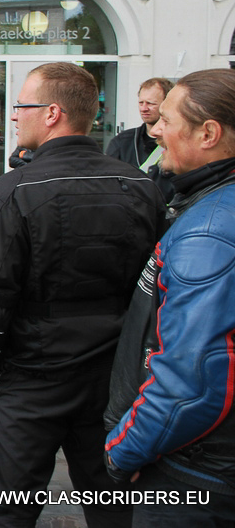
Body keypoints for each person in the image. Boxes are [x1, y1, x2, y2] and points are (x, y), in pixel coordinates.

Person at [0, 62, 166, 527]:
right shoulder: (141, 187)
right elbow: (156, 293)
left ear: (52, 113)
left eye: (21, 105)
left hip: (30, 381)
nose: (13, 114)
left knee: (7, 512)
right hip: (113, 383)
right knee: (114, 509)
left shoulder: (13, 190)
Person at [105, 68, 235, 526]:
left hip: (195, 473)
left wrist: (122, 451)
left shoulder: (209, 232)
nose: (156, 130)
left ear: (208, 134)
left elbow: (191, 383)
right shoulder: (209, 207)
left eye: (166, 120)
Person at [106, 77, 176, 201]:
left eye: (151, 103)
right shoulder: (122, 142)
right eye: (141, 103)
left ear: (167, 104)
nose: (144, 108)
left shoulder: (179, 142)